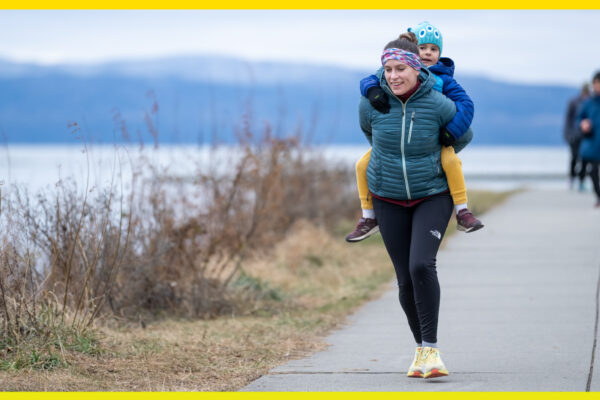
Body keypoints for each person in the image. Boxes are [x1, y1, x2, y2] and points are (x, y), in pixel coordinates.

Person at [359, 37, 472, 378]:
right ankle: (421, 350)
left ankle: (432, 350)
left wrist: (435, 156)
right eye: (388, 69)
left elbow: (462, 135)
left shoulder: (438, 103)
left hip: (432, 195)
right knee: (405, 280)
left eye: (400, 69)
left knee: (422, 265)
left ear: (417, 68)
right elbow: (371, 136)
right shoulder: (371, 103)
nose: (393, 76)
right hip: (387, 196)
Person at [346, 22, 483, 243]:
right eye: (423, 48)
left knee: (451, 162)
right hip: (394, 148)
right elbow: (370, 81)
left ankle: (463, 211)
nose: (428, 53)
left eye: (434, 49)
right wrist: (372, 91)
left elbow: (466, 105)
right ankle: (368, 217)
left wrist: (449, 134)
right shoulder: (392, 72)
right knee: (362, 165)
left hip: (436, 142)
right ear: (412, 51)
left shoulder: (443, 79)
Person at [578, 71, 600, 207]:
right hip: (593, 143)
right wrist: (582, 124)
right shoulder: (588, 103)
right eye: (596, 84)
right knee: (592, 171)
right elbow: (578, 119)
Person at [564, 83, 590, 190]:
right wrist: (567, 135)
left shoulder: (590, 103)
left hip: (586, 136)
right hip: (574, 135)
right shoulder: (574, 103)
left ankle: (582, 180)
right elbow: (568, 120)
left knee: (585, 159)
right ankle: (572, 178)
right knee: (574, 158)